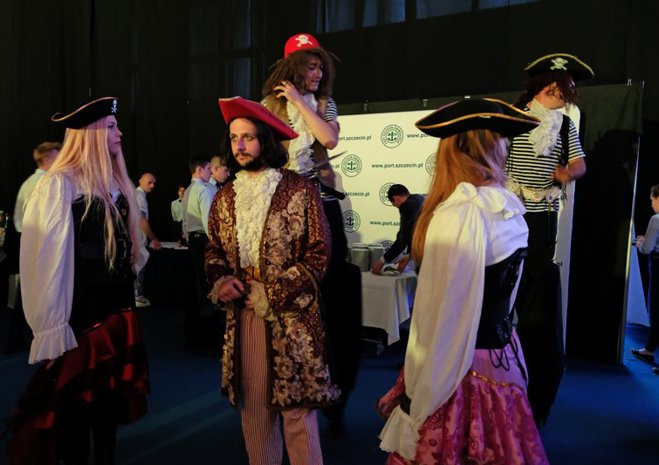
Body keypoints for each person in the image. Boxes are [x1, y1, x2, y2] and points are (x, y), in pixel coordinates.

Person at [377, 98, 548, 465]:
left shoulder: (462, 215)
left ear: (452, 149)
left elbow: (439, 321)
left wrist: (418, 402)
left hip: (460, 371)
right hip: (502, 359)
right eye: (500, 140)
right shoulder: (505, 208)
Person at [5, 97, 150, 465]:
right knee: (75, 405)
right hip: (81, 316)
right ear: (92, 134)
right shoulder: (58, 185)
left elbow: (127, 250)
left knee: (107, 403)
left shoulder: (114, 183)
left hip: (116, 311)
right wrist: (50, 325)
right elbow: (44, 260)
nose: (120, 133)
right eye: (112, 127)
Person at [206, 96, 340, 465]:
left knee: (297, 412)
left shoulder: (299, 189)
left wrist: (274, 292)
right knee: (254, 409)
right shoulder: (225, 197)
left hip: (292, 317)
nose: (240, 146)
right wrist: (221, 280)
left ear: (264, 140)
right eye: (234, 138)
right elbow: (214, 249)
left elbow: (319, 252)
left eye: (248, 137)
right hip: (244, 315)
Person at [262, 32, 361, 432]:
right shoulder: (269, 106)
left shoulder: (323, 103)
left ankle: (335, 391)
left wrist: (301, 102)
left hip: (321, 204)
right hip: (284, 207)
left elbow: (329, 138)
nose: (317, 73)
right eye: (309, 66)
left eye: (320, 66)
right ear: (291, 67)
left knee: (331, 292)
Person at [505, 52, 592, 426]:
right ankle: (502, 337)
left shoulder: (566, 125)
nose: (559, 96)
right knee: (507, 274)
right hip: (509, 209)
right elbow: (497, 154)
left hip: (543, 212)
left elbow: (580, 164)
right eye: (552, 90)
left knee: (537, 280)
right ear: (538, 89)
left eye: (564, 91)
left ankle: (528, 343)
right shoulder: (515, 116)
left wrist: (568, 173)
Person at [181, 155, 215, 351]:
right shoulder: (203, 190)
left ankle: (195, 337)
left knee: (196, 285)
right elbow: (207, 221)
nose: (211, 172)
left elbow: (185, 222)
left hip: (193, 241)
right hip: (203, 240)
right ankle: (206, 338)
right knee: (205, 285)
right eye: (209, 168)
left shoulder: (188, 191)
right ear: (199, 170)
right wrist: (216, 244)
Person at [632, 184, 659, 375]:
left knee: (656, 310)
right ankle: (649, 349)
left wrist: (640, 243)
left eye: (652, 200)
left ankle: (649, 350)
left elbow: (647, 248)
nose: (651, 204)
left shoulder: (656, 219)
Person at [371, 184, 424, 275]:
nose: (397, 208)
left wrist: (381, 261)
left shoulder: (407, 206)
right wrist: (408, 256)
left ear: (396, 199)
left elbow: (403, 238)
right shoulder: (419, 199)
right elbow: (414, 231)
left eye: (395, 205)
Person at [13, 141, 61, 233]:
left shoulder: (30, 181)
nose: (61, 161)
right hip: (41, 236)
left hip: (31, 235)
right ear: (46, 160)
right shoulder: (45, 182)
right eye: (58, 158)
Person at [134, 172, 161, 307]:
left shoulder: (137, 195)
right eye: (149, 182)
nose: (152, 186)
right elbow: (142, 220)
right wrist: (154, 239)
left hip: (137, 239)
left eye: (154, 183)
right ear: (140, 181)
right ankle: (138, 296)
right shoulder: (139, 196)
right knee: (139, 268)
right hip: (138, 240)